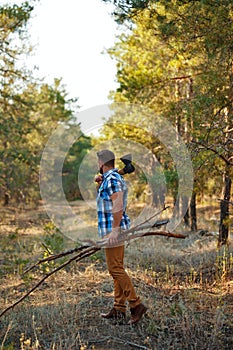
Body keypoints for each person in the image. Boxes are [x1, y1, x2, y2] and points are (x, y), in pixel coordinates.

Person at [95, 149, 147, 325]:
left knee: (115, 268)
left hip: (114, 230)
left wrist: (115, 230)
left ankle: (136, 305)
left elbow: (117, 205)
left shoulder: (112, 179)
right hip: (113, 228)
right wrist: (98, 183)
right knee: (117, 267)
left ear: (101, 163)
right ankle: (118, 308)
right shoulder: (111, 178)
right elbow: (106, 200)